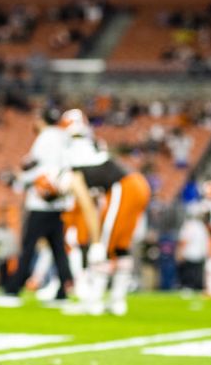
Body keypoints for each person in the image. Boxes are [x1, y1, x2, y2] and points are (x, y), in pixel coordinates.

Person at [58, 109, 152, 316]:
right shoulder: (87, 144)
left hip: (122, 188)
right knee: (120, 246)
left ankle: (94, 301)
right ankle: (118, 301)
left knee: (104, 248)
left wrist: (97, 240)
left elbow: (87, 205)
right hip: (139, 185)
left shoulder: (71, 160)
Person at [0, 107, 74, 307]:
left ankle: (14, 287)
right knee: (58, 249)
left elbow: (38, 169)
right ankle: (65, 287)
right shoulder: (63, 137)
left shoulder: (45, 137)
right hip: (58, 202)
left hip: (41, 202)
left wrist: (20, 179)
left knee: (29, 246)